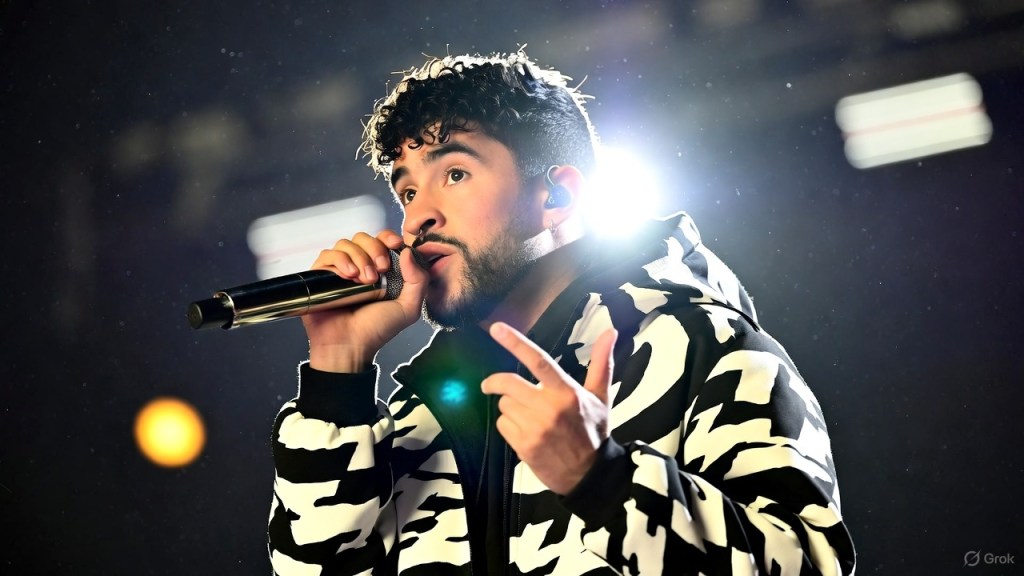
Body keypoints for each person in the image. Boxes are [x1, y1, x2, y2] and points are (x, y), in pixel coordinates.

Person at [267, 50, 856, 575]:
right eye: (408, 192)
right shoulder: (414, 413)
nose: (418, 218)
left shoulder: (703, 344)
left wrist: (604, 480)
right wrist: (336, 375)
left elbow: (810, 563)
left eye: (455, 173)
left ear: (558, 196)